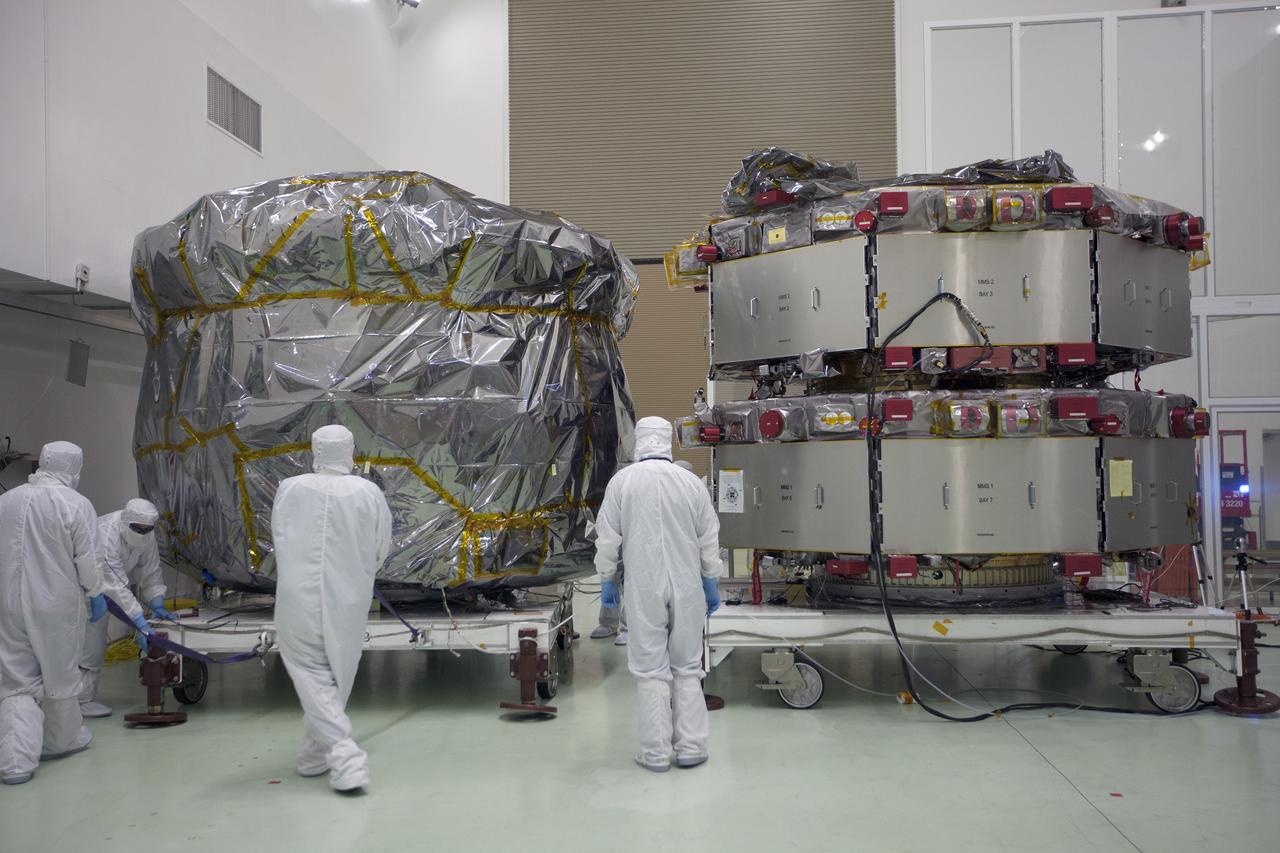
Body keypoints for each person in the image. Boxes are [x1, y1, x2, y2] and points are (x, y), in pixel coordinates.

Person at [595, 418, 722, 772]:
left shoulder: (623, 482)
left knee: (651, 670)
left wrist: (607, 578)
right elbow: (709, 536)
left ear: (640, 442)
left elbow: (607, 538)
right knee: (687, 666)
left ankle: (654, 754)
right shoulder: (690, 483)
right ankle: (691, 748)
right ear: (668, 442)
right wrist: (711, 579)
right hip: (687, 587)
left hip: (644, 588)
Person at [272, 425, 392, 793]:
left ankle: (318, 755)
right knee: (336, 675)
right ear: (351, 451)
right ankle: (343, 755)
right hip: (349, 599)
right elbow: (380, 547)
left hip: (297, 598)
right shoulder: (368, 492)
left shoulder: (290, 488)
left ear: (315, 451)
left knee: (313, 674)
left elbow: (278, 534)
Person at [0, 441, 107, 785]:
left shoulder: (6, 501)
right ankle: (60, 740)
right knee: (60, 676)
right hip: (55, 605)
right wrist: (95, 593)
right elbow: (88, 560)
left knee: (16, 680)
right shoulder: (75, 504)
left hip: (7, 601)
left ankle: (16, 761)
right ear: (74, 467)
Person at [78, 499, 172, 718]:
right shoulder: (106, 533)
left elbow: (151, 568)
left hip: (107, 592)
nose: (142, 533)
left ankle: (83, 698)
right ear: (125, 521)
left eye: (147, 529)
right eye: (138, 528)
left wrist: (157, 600)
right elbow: (116, 585)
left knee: (94, 645)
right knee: (89, 646)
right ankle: (79, 701)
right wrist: (139, 622)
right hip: (85, 594)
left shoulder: (146, 536)